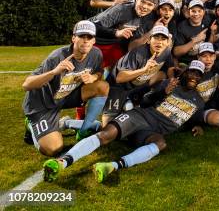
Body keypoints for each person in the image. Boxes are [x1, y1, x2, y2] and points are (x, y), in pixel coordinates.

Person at [42, 61, 208, 183]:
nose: (194, 76)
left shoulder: (199, 101)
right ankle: (62, 162)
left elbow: (195, 118)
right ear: (185, 73)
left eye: (198, 74)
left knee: (161, 143)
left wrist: (198, 126)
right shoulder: (169, 84)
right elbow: (145, 101)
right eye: (192, 72)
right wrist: (162, 92)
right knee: (107, 134)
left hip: (152, 132)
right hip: (140, 116)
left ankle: (111, 166)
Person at [22, 21, 109, 155]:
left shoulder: (96, 53)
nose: (85, 41)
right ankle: (31, 124)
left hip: (66, 96)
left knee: (103, 87)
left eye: (89, 37)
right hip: (42, 104)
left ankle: (83, 130)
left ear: (94, 40)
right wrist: (54, 72)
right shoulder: (57, 57)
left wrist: (93, 78)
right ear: (74, 38)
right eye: (82, 36)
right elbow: (26, 84)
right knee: (53, 148)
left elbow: (99, 72)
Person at [101, 25, 175, 126]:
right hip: (119, 87)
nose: (159, 42)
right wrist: (144, 70)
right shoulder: (138, 54)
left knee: (162, 75)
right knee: (107, 124)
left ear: (167, 42)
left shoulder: (166, 51)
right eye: (156, 37)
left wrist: (172, 80)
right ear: (149, 40)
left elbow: (170, 67)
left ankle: (135, 101)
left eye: (163, 39)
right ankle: (77, 123)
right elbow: (119, 78)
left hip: (138, 85)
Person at [90, 0, 159, 73]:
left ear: (154, 7)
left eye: (149, 4)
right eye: (142, 2)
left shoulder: (150, 18)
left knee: (121, 71)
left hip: (117, 46)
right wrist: (116, 32)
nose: (144, 7)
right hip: (98, 42)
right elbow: (92, 26)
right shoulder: (122, 9)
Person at [173, 0, 212, 65]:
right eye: (193, 11)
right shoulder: (182, 27)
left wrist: (213, 33)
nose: (196, 14)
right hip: (187, 62)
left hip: (203, 60)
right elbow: (176, 52)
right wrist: (195, 40)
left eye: (199, 11)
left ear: (203, 12)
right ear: (188, 12)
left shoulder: (207, 21)